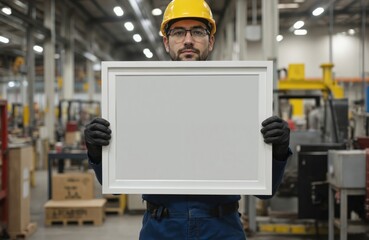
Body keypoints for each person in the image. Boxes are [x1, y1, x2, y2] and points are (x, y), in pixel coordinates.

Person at [84, 0, 291, 239]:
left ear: (210, 40)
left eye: (198, 32)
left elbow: (265, 192)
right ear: (166, 41)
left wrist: (277, 152)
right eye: (179, 32)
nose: (188, 40)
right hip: (161, 229)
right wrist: (98, 152)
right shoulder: (143, 99)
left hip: (221, 229)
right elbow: (117, 182)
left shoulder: (237, 97)